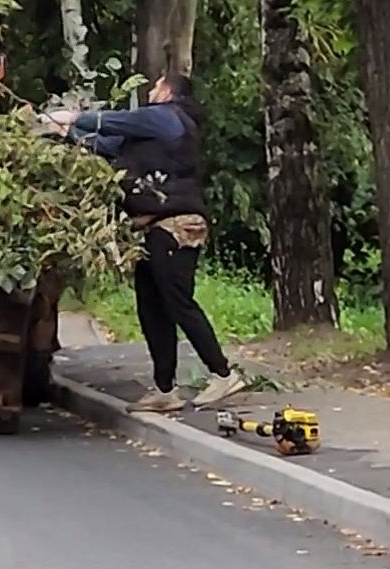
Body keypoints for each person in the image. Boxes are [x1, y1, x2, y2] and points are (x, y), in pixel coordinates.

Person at [41, 75, 245, 414]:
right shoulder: (149, 133)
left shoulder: (167, 117)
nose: (150, 92)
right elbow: (108, 145)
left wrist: (74, 116)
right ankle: (165, 389)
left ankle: (223, 373)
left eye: (155, 87)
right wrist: (68, 134)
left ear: (167, 92)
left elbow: (116, 121)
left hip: (176, 224)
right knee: (152, 308)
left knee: (177, 302)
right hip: (151, 227)